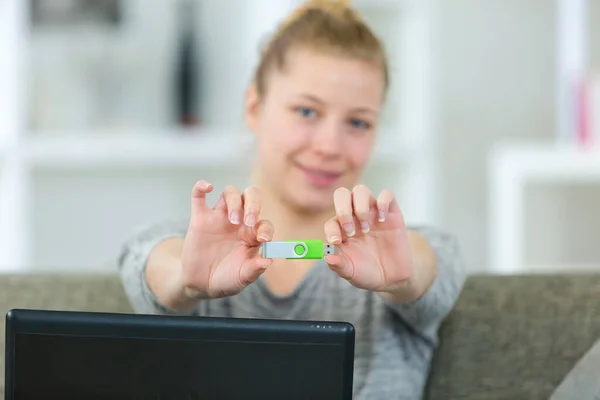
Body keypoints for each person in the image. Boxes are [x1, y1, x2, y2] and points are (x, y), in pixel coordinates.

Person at [117, 0, 466, 398]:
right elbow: (153, 266)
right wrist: (186, 280)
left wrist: (403, 277)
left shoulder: (415, 255)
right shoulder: (184, 247)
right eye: (306, 111)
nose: (330, 145)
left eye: (358, 122)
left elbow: (423, 266)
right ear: (254, 107)